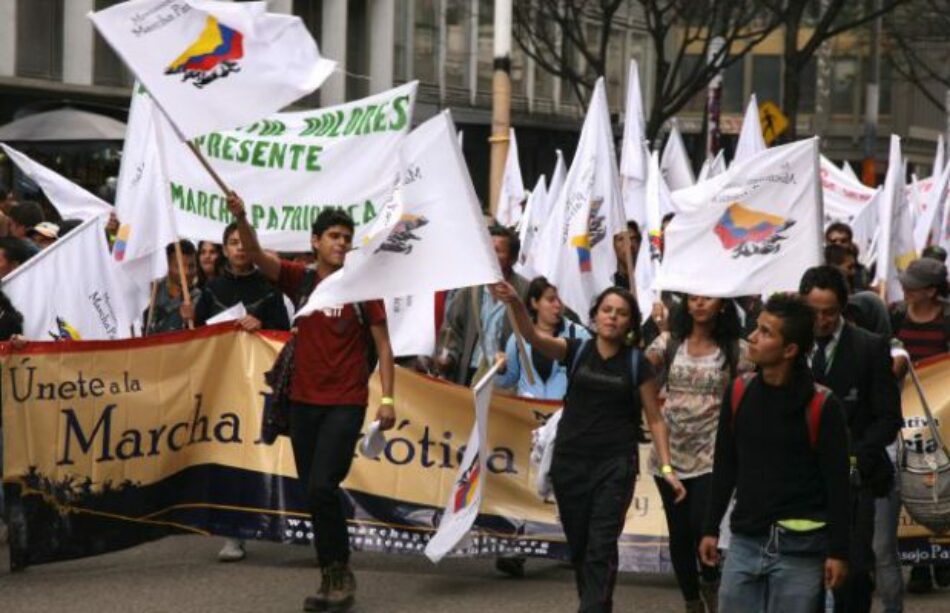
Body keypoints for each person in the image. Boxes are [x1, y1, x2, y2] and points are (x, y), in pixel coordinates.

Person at [226, 193, 395, 613]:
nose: (341, 243)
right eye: (334, 236)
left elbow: (385, 346)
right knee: (313, 492)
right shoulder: (299, 280)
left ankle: (339, 572)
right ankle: (330, 575)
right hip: (303, 403)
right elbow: (254, 254)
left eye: (347, 238)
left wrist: (387, 398)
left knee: (323, 485)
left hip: (346, 402)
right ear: (315, 241)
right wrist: (241, 217)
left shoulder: (362, 287)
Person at [493, 282, 685, 612]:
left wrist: (667, 468)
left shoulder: (638, 364)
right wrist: (516, 304)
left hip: (614, 467)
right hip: (570, 464)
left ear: (629, 323)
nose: (613, 317)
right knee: (581, 549)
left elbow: (655, 419)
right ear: (595, 315)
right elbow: (534, 338)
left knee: (601, 547)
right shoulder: (576, 349)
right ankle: (596, 604)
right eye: (607, 310)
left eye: (622, 313)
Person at [699, 293, 851, 613]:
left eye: (766, 332)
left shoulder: (823, 406)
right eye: (756, 328)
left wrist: (838, 552)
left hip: (802, 550)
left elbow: (838, 486)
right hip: (745, 541)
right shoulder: (739, 391)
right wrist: (710, 528)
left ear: (790, 350)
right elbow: (726, 465)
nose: (752, 337)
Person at [800, 266, 901, 612]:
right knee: (803, 577)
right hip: (802, 482)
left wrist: (858, 455)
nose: (822, 320)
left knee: (852, 574)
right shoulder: (789, 347)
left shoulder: (869, 348)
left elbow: (889, 417)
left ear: (842, 307)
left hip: (856, 481)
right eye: (814, 311)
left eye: (829, 312)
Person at [645, 296, 753, 613]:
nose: (700, 303)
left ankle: (710, 579)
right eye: (694, 298)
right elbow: (639, 375)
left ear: (722, 304)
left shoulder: (737, 350)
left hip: (712, 456)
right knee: (678, 535)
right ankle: (692, 601)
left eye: (707, 298)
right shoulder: (668, 343)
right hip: (669, 455)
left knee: (700, 527)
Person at [889, 257, 950, 594]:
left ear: (931, 290)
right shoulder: (897, 315)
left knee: (938, 484)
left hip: (941, 415)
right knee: (910, 481)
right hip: (905, 413)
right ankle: (921, 565)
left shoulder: (947, 318)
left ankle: (940, 558)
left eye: (913, 285)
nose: (906, 290)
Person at [844, 291, 904, 613]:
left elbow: (897, 365)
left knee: (882, 550)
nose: (851, 324)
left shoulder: (886, 347)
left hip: (883, 463)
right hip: (854, 463)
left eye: (857, 317)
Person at [434, 224, 529, 386]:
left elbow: (533, 333)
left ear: (512, 259)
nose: (491, 255)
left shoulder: (524, 291)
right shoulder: (470, 288)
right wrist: (447, 356)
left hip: (504, 376)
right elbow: (452, 328)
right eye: (488, 250)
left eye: (498, 251)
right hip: (469, 372)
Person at [496, 277, 590, 398]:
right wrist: (501, 369)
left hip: (564, 412)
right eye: (551, 300)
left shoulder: (578, 334)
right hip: (528, 411)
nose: (557, 305)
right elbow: (506, 381)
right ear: (535, 302)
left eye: (560, 300)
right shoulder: (518, 338)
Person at [194, 224, 289, 333]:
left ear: (255, 248)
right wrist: (189, 318)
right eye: (234, 243)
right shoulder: (211, 289)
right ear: (225, 250)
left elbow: (283, 333)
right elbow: (198, 334)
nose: (240, 247)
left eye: (246, 242)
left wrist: (262, 327)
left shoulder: (270, 289)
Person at [143, 241, 200, 335]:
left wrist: (196, 320)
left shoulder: (199, 298)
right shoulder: (152, 292)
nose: (186, 272)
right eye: (180, 266)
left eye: (191, 266)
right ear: (167, 266)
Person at [612, 221, 641, 290]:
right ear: (613, 245)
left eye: (633, 238)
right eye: (621, 239)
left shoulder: (650, 279)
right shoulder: (610, 283)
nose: (629, 244)